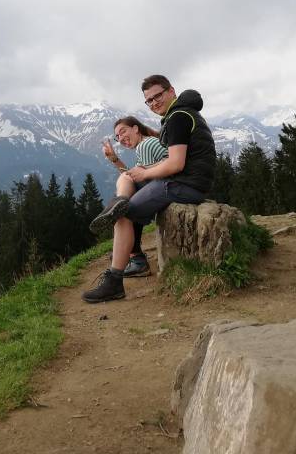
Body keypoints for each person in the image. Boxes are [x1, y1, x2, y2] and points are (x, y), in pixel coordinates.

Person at [83, 75, 217, 303]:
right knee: (128, 181)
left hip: (185, 184)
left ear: (171, 91)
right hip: (186, 180)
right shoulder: (179, 115)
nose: (154, 102)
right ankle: (120, 202)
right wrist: (134, 168)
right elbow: (173, 161)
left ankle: (114, 282)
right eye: (149, 100)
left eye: (158, 96)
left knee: (124, 215)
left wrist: (144, 172)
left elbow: (176, 164)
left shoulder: (178, 117)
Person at [93, 116, 166, 276]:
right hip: (164, 185)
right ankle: (119, 204)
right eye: (117, 136)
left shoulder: (145, 145)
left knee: (126, 207)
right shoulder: (147, 143)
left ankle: (136, 259)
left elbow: (141, 177)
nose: (120, 138)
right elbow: (136, 175)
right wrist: (114, 159)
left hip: (166, 187)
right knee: (125, 198)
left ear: (136, 128)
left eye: (123, 131)